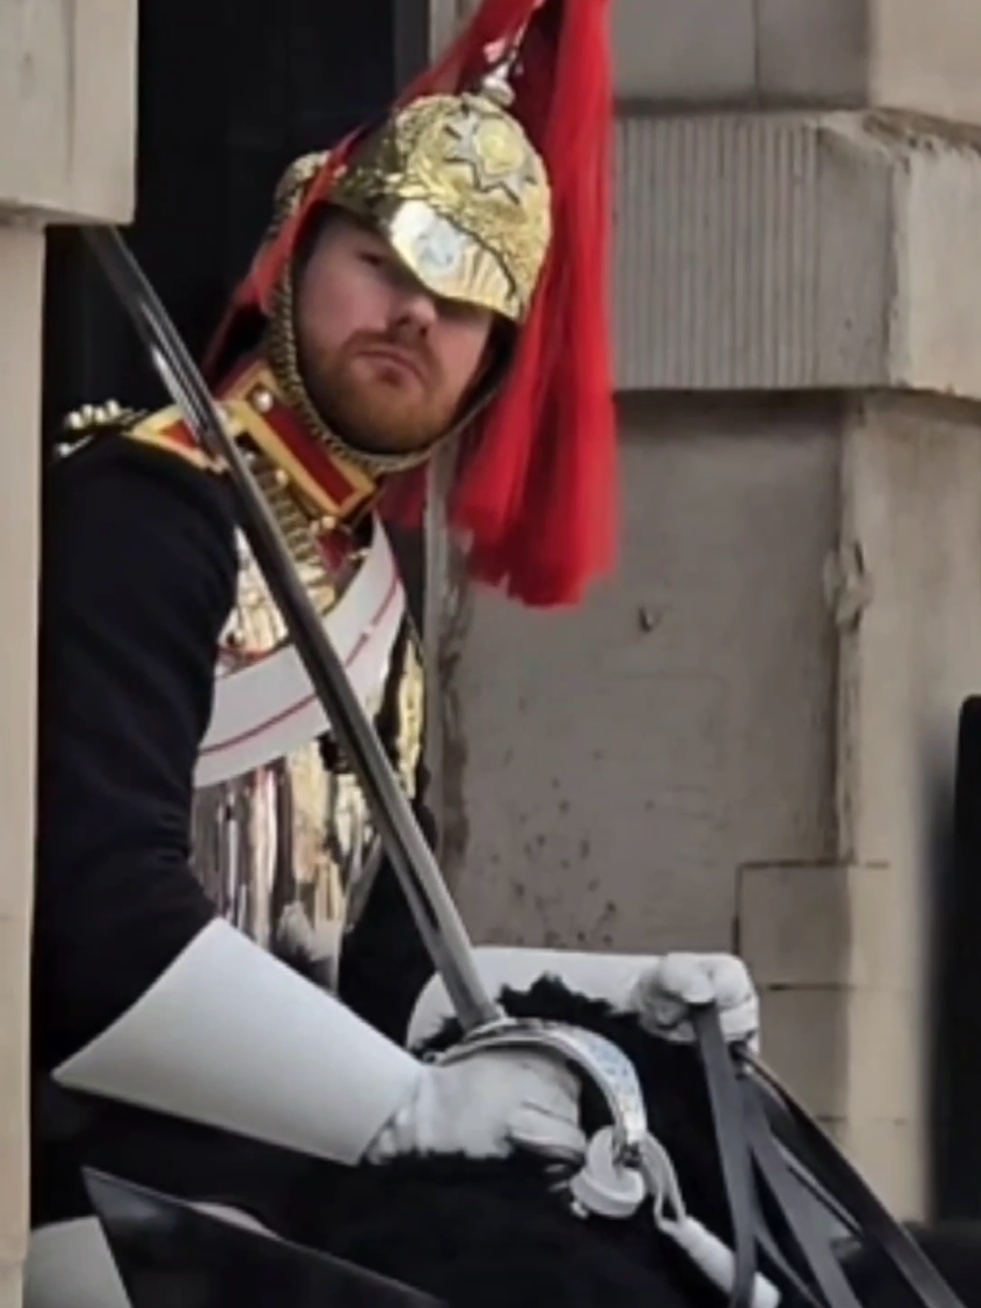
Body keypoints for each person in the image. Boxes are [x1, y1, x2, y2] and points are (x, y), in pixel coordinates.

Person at [28, 1, 759, 1303]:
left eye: (466, 299)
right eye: (386, 261)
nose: (416, 313)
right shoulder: (146, 513)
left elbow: (373, 964)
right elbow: (99, 929)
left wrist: (609, 1001)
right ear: (297, 245)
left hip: (296, 1172)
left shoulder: (362, 577)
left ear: (491, 363)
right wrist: (416, 1110)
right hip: (102, 1180)